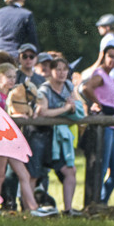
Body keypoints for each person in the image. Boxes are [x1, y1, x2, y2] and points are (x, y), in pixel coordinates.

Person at [0, 64, 48, 216]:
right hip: (0, 142)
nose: (12, 80)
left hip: (10, 142)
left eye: (13, 77)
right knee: (0, 176)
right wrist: (15, 117)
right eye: (8, 77)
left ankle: (32, 208)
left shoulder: (11, 97)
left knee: (24, 174)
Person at [33, 56, 82, 216]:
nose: (62, 73)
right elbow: (42, 112)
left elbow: (77, 105)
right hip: (40, 135)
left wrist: (73, 109)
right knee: (33, 173)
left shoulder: (68, 85)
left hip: (58, 137)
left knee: (70, 170)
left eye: (64, 69)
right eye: (58, 69)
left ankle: (68, 210)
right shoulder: (44, 90)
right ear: (51, 71)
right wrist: (65, 110)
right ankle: (29, 209)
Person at [80, 46, 114, 204]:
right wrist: (98, 103)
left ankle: (102, 200)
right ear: (103, 56)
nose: (113, 60)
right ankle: (94, 203)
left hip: (112, 125)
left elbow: (109, 100)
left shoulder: (109, 77)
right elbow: (86, 88)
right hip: (104, 126)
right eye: (111, 56)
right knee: (101, 167)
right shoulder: (100, 74)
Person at [95, 14, 114, 82]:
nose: (98, 28)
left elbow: (101, 60)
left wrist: (90, 72)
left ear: (107, 27)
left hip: (109, 76)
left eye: (101, 26)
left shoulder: (106, 39)